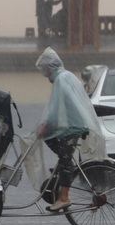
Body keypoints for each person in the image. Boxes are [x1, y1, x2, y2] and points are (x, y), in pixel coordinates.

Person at [34, 47, 100, 212]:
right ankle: (64, 171)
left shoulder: (61, 80)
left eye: (44, 71)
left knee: (65, 159)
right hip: (74, 123)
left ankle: (64, 197)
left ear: (49, 68)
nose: (45, 75)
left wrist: (46, 123)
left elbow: (55, 106)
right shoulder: (68, 75)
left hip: (71, 127)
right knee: (53, 143)